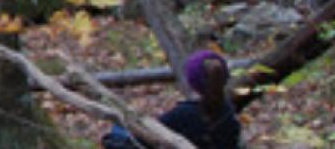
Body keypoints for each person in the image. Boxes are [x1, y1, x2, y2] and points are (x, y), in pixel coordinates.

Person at [102, 50, 243, 148]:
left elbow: (150, 137)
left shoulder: (184, 114)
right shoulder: (228, 113)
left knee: (119, 127)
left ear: (192, 82)